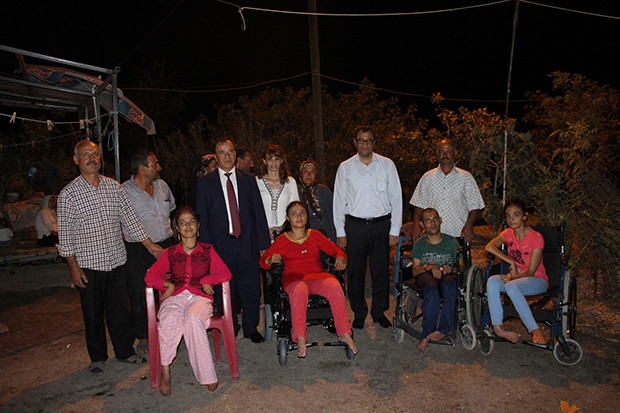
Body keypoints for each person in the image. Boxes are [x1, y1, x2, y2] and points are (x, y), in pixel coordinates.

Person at [56, 140, 163, 374]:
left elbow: (131, 221)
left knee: (119, 310)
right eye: (86, 155)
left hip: (117, 260)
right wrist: (73, 267)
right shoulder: (69, 195)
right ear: (76, 160)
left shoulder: (114, 188)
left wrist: (150, 246)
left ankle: (125, 351)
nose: (91, 158)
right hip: (89, 265)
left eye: (95, 154)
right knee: (92, 313)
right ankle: (97, 357)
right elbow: (65, 236)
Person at [145, 206, 231, 396]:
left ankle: (207, 374)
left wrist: (207, 280)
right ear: (177, 228)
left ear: (198, 225)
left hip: (200, 298)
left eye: (191, 221)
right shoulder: (171, 252)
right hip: (176, 298)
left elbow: (225, 273)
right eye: (182, 223)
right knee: (168, 318)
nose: (188, 226)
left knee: (193, 318)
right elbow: (150, 276)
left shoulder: (207, 250)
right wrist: (167, 284)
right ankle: (165, 370)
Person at [195, 139, 271, 343]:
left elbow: (258, 213)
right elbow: (203, 219)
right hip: (220, 245)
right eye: (222, 152)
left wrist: (263, 245)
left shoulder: (249, 180)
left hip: (247, 242)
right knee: (225, 289)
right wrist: (205, 251)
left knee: (251, 287)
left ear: (235, 154)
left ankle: (251, 327)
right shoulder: (205, 184)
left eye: (230, 151)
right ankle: (230, 327)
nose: (227, 156)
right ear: (216, 156)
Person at [259, 201, 357, 358]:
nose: (298, 216)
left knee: (335, 286)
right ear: (288, 218)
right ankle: (300, 337)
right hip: (294, 279)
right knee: (299, 292)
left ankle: (344, 332)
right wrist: (270, 260)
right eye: (294, 214)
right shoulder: (282, 240)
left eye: (302, 213)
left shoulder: (315, 235)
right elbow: (263, 262)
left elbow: (337, 250)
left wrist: (341, 257)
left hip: (317, 276)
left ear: (307, 216)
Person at [333, 125, 403, 330]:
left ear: (374, 142)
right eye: (361, 140)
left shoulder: (387, 165)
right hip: (355, 226)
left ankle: (379, 311)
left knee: (380, 271)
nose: (365, 144)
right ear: (354, 142)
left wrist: (394, 230)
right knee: (356, 272)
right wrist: (340, 231)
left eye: (369, 140)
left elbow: (396, 198)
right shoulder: (345, 167)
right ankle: (359, 312)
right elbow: (338, 201)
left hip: (381, 225)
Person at [122, 149, 176, 354]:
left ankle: (172, 328)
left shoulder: (162, 186)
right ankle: (144, 335)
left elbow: (171, 211)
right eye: (155, 164)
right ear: (142, 168)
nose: (159, 167)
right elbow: (125, 225)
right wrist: (148, 245)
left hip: (166, 244)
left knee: (171, 287)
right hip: (138, 248)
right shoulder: (124, 192)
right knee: (139, 292)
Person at [485, 197, 548, 346]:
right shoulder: (508, 233)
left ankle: (534, 330)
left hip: (537, 280)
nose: (511, 219)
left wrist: (513, 278)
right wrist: (510, 261)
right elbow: (489, 246)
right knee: (492, 281)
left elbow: (531, 272)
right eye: (508, 215)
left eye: (516, 215)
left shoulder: (536, 238)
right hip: (515, 278)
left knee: (511, 286)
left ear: (525, 216)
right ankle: (498, 328)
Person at [409, 138, 485, 244]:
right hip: (432, 236)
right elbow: (418, 206)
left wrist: (469, 226)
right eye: (441, 151)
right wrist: (416, 226)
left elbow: (475, 207)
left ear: (455, 153)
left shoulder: (466, 177)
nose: (445, 155)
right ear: (437, 154)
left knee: (459, 256)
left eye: (449, 151)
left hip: (458, 234)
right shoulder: (427, 177)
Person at [410, 208, 463, 352]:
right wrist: (427, 266)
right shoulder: (420, 244)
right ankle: (427, 333)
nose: (432, 223)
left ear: (440, 220)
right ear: (422, 225)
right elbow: (415, 270)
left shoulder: (451, 242)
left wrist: (452, 269)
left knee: (450, 286)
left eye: (435, 219)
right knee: (431, 288)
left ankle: (444, 329)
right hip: (427, 276)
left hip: (446, 275)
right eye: (428, 220)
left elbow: (462, 267)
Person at [256, 144, 300, 239]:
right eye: (270, 159)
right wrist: (264, 230)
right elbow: (253, 211)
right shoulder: (256, 182)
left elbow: (295, 210)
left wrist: (282, 228)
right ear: (264, 161)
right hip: (262, 234)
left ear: (281, 160)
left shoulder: (290, 182)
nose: (273, 162)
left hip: (286, 234)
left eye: (276, 159)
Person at [297, 159, 336, 242]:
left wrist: (335, 236)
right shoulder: (296, 191)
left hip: (323, 234)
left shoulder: (323, 191)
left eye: (312, 172)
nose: (309, 175)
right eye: (306, 171)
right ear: (301, 174)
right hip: (302, 235)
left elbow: (332, 215)